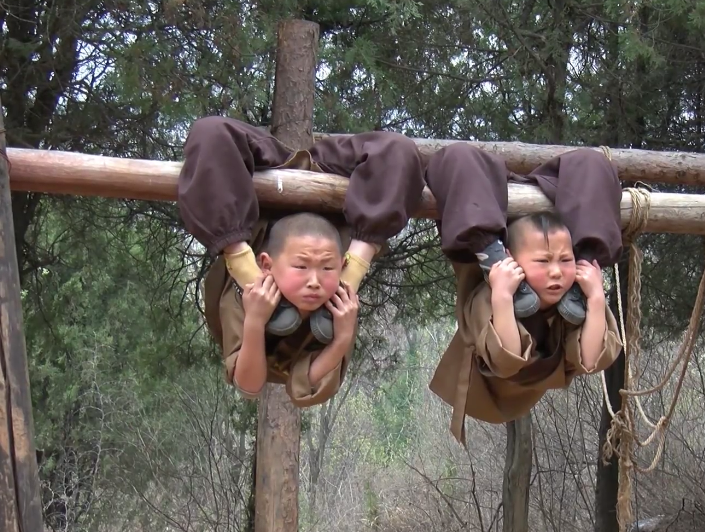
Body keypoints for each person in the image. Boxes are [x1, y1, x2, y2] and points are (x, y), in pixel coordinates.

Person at [178, 116, 425, 401]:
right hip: (330, 186)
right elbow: (281, 386)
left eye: (326, 268)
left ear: (265, 264)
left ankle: (241, 262)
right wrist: (344, 320)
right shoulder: (340, 309)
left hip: (267, 185)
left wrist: (255, 315)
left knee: (211, 132)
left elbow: (247, 385)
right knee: (399, 150)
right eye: (302, 266)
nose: (315, 282)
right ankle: (356, 266)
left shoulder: (247, 296)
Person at [424, 143, 625, 444]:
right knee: (459, 157)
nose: (557, 272)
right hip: (500, 341)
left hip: (557, 335)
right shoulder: (490, 294)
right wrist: (504, 296)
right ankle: (489, 252)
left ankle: (584, 255)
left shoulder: (574, 289)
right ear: (513, 260)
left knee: (591, 163)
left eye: (565, 260)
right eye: (543, 262)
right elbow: (507, 360)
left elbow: (589, 358)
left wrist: (593, 297)